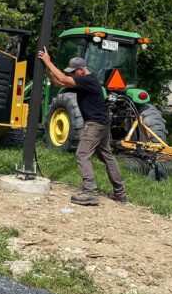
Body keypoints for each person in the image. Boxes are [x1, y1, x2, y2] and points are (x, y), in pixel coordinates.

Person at [38, 47, 126, 205]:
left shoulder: (89, 80)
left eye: (73, 72)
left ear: (81, 70)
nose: (71, 74)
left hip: (95, 124)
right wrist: (47, 69)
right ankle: (120, 193)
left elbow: (64, 79)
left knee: (82, 154)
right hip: (102, 123)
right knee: (106, 156)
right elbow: (59, 82)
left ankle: (90, 192)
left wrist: (48, 61)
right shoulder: (85, 81)